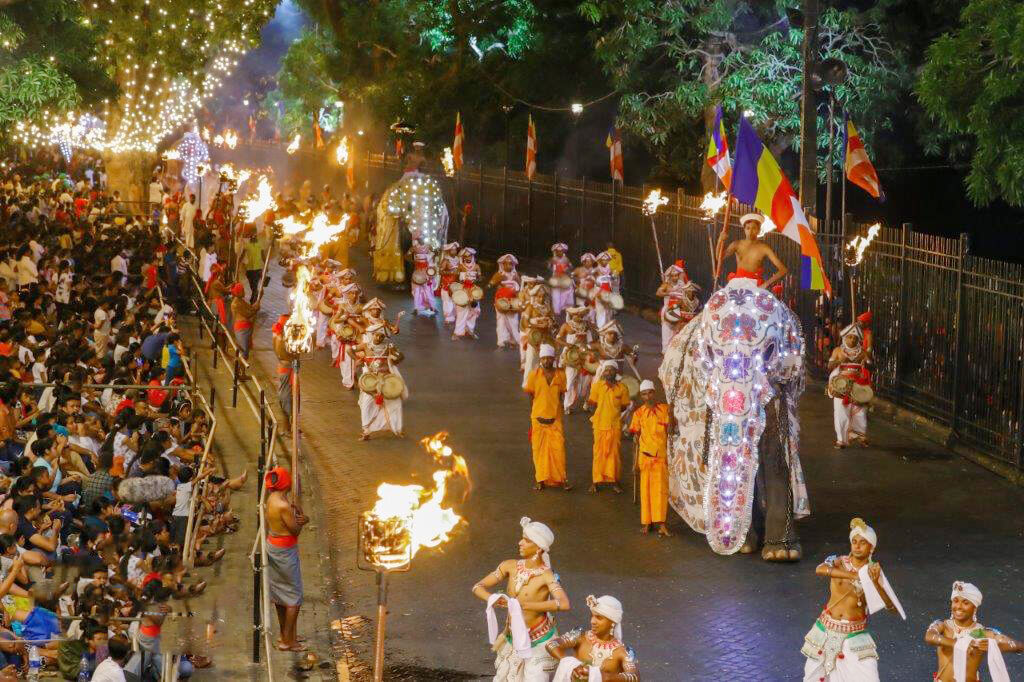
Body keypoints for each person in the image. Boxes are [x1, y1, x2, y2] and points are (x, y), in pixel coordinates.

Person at [802, 518, 905, 682]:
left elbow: (891, 608)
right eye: (854, 542)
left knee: (868, 676)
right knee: (813, 676)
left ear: (872, 547)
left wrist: (874, 582)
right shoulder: (839, 561)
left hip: (854, 633)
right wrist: (852, 575)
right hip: (825, 628)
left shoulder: (873, 571)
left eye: (862, 543)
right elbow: (820, 569)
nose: (857, 546)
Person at [472, 517, 569, 682]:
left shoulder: (547, 575)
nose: (520, 543)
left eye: (526, 540)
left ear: (538, 548)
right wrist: (493, 599)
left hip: (539, 639)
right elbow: (478, 587)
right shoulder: (509, 566)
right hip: (512, 636)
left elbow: (563, 603)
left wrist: (524, 605)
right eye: (522, 538)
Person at [925, 581, 1023, 682]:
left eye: (965, 603)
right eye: (955, 601)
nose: (958, 606)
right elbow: (930, 637)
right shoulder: (942, 626)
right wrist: (957, 643)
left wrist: (992, 645)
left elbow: (1018, 646)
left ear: (974, 608)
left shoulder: (982, 632)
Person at [265, 466, 309, 651]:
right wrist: (303, 519)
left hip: (274, 546)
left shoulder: (272, 499)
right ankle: (287, 641)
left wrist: (296, 510)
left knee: (280, 595)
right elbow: (295, 530)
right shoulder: (282, 505)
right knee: (293, 597)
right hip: (284, 551)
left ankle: (286, 634)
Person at [547, 595, 639, 682]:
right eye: (592, 616)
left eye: (599, 618)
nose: (592, 621)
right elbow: (552, 645)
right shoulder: (580, 637)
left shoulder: (622, 652)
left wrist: (606, 677)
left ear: (613, 622)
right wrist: (572, 665)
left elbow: (634, 676)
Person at [628, 380, 672, 536]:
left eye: (650, 392)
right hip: (645, 458)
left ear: (654, 393)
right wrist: (634, 464)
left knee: (660, 492)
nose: (648, 396)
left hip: (660, 457)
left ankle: (661, 524)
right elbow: (635, 440)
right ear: (641, 396)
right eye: (644, 394)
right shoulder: (638, 413)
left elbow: (672, 430)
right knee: (645, 492)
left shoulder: (665, 410)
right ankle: (647, 523)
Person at [524, 345, 570, 491]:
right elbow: (531, 396)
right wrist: (534, 413)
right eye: (543, 358)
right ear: (540, 359)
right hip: (538, 418)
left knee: (559, 450)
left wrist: (558, 409)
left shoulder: (561, 375)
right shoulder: (534, 375)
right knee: (538, 451)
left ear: (553, 359)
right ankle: (540, 480)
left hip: (555, 419)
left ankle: (562, 479)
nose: (546, 361)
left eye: (549, 358)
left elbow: (561, 394)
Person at [355, 323, 406, 440]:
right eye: (377, 335)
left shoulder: (389, 346)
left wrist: (396, 357)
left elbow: (400, 357)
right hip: (370, 380)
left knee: (395, 403)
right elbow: (349, 349)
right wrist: (359, 359)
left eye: (382, 336)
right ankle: (366, 431)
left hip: (386, 379)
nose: (379, 338)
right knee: (366, 405)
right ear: (372, 335)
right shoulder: (366, 346)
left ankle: (396, 428)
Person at [588, 361, 630, 493]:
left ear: (616, 372)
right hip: (600, 426)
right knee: (598, 454)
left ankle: (614, 481)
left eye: (612, 370)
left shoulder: (622, 388)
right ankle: (595, 481)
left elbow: (624, 406)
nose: (608, 372)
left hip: (614, 426)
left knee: (615, 455)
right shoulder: (597, 386)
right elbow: (592, 405)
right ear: (603, 372)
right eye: (606, 370)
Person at [827, 322, 872, 449]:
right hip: (841, 384)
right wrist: (838, 361)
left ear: (858, 339)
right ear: (844, 337)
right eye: (849, 337)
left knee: (860, 412)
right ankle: (841, 440)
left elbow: (871, 365)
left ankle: (860, 435)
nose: (852, 340)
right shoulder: (838, 351)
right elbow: (829, 366)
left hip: (858, 384)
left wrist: (866, 362)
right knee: (841, 412)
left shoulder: (862, 352)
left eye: (855, 338)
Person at [716, 213, 789, 289]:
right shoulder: (736, 244)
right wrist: (719, 241)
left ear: (759, 230)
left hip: (755, 285)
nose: (750, 231)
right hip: (737, 284)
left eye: (754, 228)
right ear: (744, 230)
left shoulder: (764, 248)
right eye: (748, 228)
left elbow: (783, 270)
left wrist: (766, 284)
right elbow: (719, 258)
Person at [556, 306, 595, 414]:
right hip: (571, 355)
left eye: (581, 314)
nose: (580, 316)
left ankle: (587, 402)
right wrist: (567, 344)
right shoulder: (566, 326)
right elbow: (558, 339)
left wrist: (590, 350)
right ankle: (566, 406)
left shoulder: (586, 325)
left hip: (583, 354)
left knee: (587, 381)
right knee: (570, 381)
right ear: (572, 315)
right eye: (577, 314)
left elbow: (590, 341)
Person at [655, 261, 700, 353]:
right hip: (669, 311)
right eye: (673, 275)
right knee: (667, 332)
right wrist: (670, 293)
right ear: (670, 276)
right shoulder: (666, 285)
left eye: (676, 275)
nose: (675, 277)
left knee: (678, 333)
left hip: (680, 312)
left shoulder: (682, 285)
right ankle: (665, 351)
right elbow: (658, 293)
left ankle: (676, 351)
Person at [489, 254, 522, 350]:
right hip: (501, 301)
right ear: (502, 265)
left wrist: (518, 294)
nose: (509, 266)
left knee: (513, 322)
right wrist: (494, 282)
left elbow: (520, 287)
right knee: (501, 322)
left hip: (513, 301)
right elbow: (490, 284)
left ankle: (514, 341)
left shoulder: (515, 275)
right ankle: (501, 343)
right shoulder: (499, 274)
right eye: (506, 264)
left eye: (511, 264)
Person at [452, 247, 482, 340]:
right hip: (463, 290)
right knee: (461, 312)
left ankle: (470, 330)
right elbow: (455, 278)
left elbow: (480, 278)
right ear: (463, 257)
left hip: (473, 291)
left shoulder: (477, 266)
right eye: (465, 256)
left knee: (474, 311)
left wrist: (477, 279)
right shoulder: (460, 267)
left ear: (473, 256)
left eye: (469, 256)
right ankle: (457, 333)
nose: (468, 258)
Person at [230, 282, 259, 358]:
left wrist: (259, 298)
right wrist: (256, 309)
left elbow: (251, 308)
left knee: (245, 353)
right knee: (243, 353)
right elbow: (248, 314)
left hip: (245, 328)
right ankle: (239, 369)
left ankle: (241, 369)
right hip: (242, 329)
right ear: (238, 292)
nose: (244, 292)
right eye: (242, 291)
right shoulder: (236, 303)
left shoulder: (240, 301)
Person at [408, 240, 437, 317]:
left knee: (429, 292)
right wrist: (411, 254)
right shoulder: (414, 250)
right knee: (417, 292)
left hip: (427, 275)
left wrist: (431, 275)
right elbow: (407, 256)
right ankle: (417, 308)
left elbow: (432, 266)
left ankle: (433, 307)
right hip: (417, 275)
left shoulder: (430, 254)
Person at [438, 242, 461, 326]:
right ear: (448, 251)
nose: (454, 251)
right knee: (447, 300)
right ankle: (448, 317)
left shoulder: (458, 259)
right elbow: (440, 271)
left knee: (455, 299)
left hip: (456, 283)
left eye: (455, 250)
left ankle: (454, 315)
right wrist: (451, 272)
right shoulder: (445, 260)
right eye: (452, 250)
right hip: (447, 283)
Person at [547, 243, 574, 317]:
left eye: (561, 251)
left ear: (563, 251)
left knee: (567, 291)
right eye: (558, 251)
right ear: (555, 251)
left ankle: (565, 307)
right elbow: (549, 267)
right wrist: (553, 267)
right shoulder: (553, 259)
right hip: (556, 278)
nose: (559, 252)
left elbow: (571, 267)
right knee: (556, 294)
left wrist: (566, 269)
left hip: (564, 278)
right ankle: (556, 311)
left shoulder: (566, 259)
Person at [242, 228, 265, 303]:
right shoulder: (247, 245)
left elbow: (263, 256)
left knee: (254, 286)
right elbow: (242, 255)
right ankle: (255, 297)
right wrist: (239, 262)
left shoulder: (260, 245)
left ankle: (253, 301)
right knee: (252, 286)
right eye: (252, 236)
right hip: (249, 269)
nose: (253, 238)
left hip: (258, 269)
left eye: (255, 236)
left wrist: (265, 265)